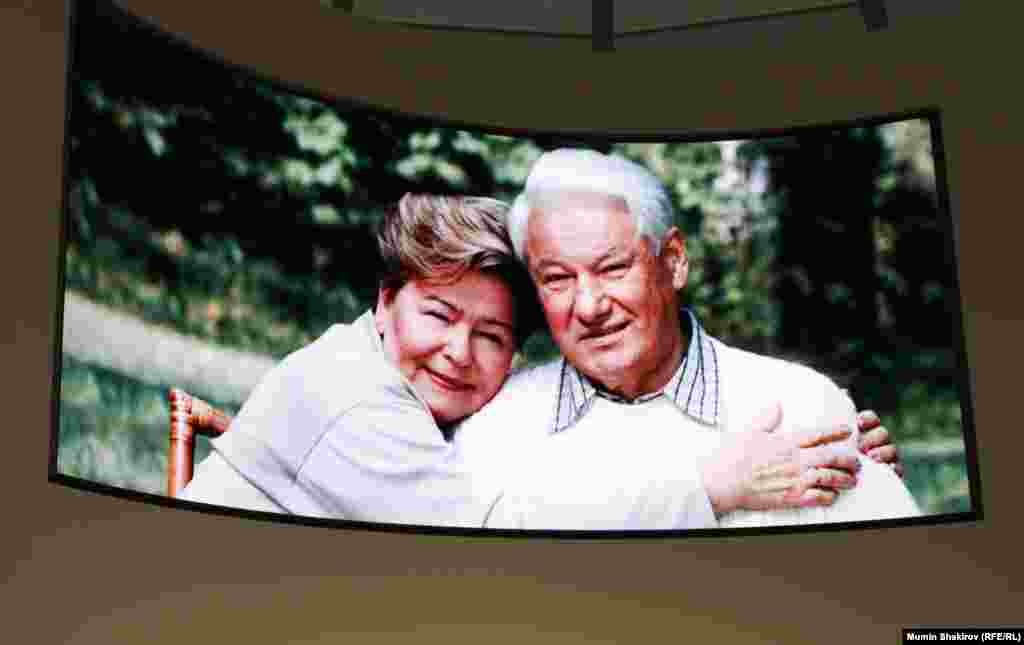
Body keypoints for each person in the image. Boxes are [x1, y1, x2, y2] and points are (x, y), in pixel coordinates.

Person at [179, 193, 881, 528]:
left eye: (491, 335)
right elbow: (503, 537)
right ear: (385, 299)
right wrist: (712, 483)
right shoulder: (354, 399)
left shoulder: (381, 378)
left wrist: (848, 456)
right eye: (440, 315)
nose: (459, 352)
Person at [446, 149, 920, 530]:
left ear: (673, 261)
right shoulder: (494, 433)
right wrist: (705, 491)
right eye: (556, 279)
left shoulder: (801, 406)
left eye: (613, 268)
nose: (588, 306)